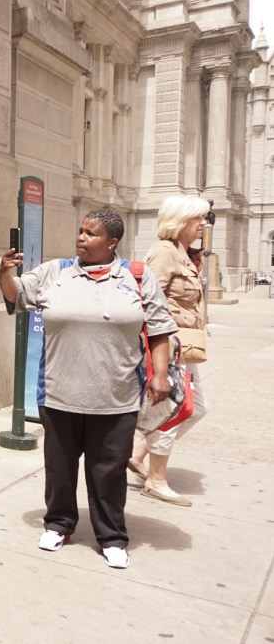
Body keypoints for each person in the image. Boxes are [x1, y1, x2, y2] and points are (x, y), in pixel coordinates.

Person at [0, 208, 176, 569]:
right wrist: (4, 271)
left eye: (91, 234)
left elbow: (158, 330)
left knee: (108, 471)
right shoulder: (55, 273)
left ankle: (112, 536)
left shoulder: (137, 278)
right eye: (80, 231)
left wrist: (159, 375)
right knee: (59, 467)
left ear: (112, 242)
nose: (82, 238)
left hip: (116, 397)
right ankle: (59, 524)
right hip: (60, 394)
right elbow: (16, 295)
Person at [128, 195, 210, 506]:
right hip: (168, 347)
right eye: (197, 218)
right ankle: (156, 479)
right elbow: (148, 301)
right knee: (169, 410)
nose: (203, 223)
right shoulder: (164, 252)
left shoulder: (185, 253)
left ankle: (138, 454)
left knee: (196, 408)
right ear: (179, 220)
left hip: (186, 347)